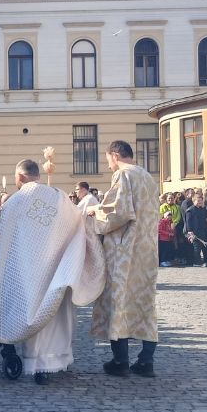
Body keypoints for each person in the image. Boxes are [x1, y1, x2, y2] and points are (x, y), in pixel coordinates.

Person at [0, 159, 104, 384]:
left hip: (28, 272)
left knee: (35, 313)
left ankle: (38, 366)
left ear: (20, 177)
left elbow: (7, 242)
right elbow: (78, 224)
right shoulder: (59, 197)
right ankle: (60, 361)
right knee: (58, 317)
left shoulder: (15, 201)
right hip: (57, 270)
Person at [85, 141, 159, 378]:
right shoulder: (147, 176)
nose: (107, 164)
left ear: (116, 155)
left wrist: (94, 212)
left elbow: (117, 212)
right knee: (144, 302)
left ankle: (121, 360)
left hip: (124, 250)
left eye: (108, 158)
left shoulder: (123, 175)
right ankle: (146, 361)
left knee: (119, 302)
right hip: (146, 249)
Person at [183, 194, 207, 267]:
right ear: (194, 201)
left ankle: (202, 260)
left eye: (201, 201)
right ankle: (197, 262)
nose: (200, 202)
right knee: (196, 248)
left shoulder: (202, 208)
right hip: (194, 231)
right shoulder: (190, 210)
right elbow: (188, 222)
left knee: (201, 247)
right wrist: (190, 232)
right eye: (198, 201)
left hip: (202, 230)